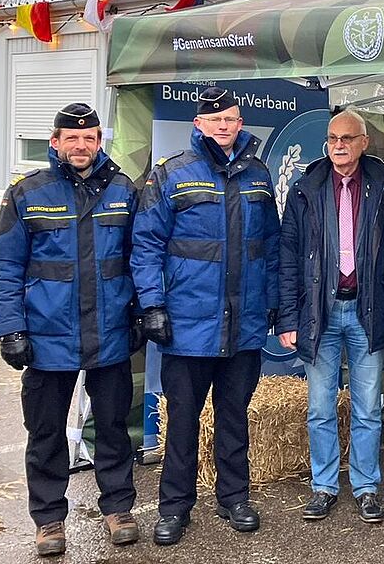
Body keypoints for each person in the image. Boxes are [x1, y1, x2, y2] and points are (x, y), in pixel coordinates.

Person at [0, 103, 141, 557]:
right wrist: (11, 328)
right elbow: (7, 265)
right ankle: (49, 519)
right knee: (46, 432)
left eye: (90, 137)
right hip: (46, 339)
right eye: (72, 138)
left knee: (114, 428)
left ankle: (119, 508)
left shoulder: (122, 190)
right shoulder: (27, 193)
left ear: (100, 141)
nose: (82, 145)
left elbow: (139, 259)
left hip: (110, 334)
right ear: (54, 142)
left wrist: (136, 314)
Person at [131, 86, 280, 546]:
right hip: (188, 327)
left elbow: (270, 248)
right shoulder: (172, 175)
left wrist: (272, 299)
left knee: (234, 417)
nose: (223, 126)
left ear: (240, 124)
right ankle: (175, 507)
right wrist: (152, 305)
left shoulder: (258, 174)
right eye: (215, 120)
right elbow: (146, 245)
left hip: (243, 326)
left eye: (231, 119)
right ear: (199, 124)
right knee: (182, 421)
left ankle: (234, 498)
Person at [276, 109, 384, 523]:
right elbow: (289, 257)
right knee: (319, 408)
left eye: (347, 138)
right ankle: (324, 486)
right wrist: (288, 319)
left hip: (367, 310)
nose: (339, 145)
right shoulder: (305, 189)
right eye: (332, 139)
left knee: (367, 408)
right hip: (320, 314)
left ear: (365, 142)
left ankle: (366, 488)